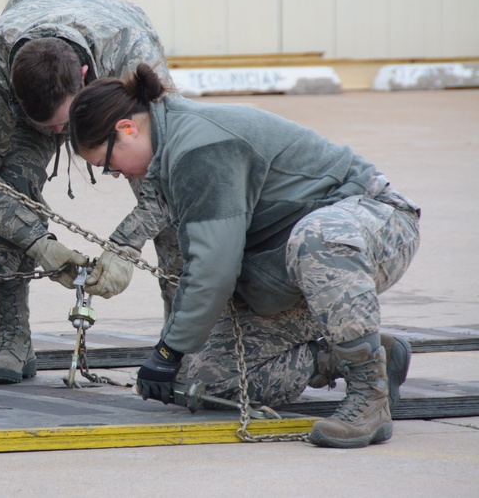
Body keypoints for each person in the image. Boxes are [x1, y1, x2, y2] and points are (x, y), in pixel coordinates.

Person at [67, 63, 421, 449]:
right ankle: (356, 354)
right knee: (206, 379)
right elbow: (200, 262)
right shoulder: (170, 156)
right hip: (293, 270)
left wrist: (168, 349)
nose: (115, 174)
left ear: (127, 129)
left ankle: (369, 396)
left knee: (316, 238)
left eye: (105, 164)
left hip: (373, 225)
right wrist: (176, 354)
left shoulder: (199, 146)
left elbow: (214, 270)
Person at [0, 0, 179, 385]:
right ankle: (13, 341)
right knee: (8, 188)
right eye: (50, 126)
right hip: (34, 83)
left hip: (109, 79)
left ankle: (180, 343)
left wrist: (126, 245)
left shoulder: (129, 55)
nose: (59, 134)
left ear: (85, 78)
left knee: (175, 214)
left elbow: (176, 170)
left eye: (62, 124)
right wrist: (38, 242)